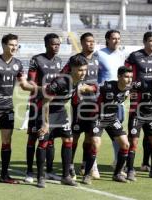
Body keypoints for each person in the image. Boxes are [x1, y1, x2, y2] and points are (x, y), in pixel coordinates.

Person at [0, 34, 37, 186]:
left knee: (7, 141)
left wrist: (42, 89)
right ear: (4, 45)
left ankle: (4, 175)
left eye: (16, 45)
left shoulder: (18, 64)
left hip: (8, 107)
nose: (14, 47)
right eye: (11, 44)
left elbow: (24, 84)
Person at [38, 54, 89, 188]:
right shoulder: (60, 82)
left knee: (68, 140)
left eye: (85, 69)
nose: (83, 73)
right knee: (43, 142)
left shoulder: (78, 80)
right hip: (48, 112)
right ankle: (40, 176)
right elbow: (45, 102)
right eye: (80, 70)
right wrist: (45, 123)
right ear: (71, 69)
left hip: (61, 112)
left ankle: (66, 176)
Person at [81, 66, 133, 185]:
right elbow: (94, 87)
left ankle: (117, 173)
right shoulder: (108, 86)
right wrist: (84, 88)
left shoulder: (129, 88)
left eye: (130, 77)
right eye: (126, 77)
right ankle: (87, 174)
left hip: (111, 118)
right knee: (96, 144)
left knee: (125, 144)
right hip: (98, 117)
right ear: (119, 77)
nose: (129, 79)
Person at [24, 33, 63, 185]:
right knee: (33, 137)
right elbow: (30, 83)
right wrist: (43, 90)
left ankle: (50, 171)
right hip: (37, 104)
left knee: (51, 138)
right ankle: (29, 171)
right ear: (46, 44)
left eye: (58, 44)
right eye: (54, 44)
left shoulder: (59, 61)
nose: (57, 46)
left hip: (53, 106)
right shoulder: (36, 59)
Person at [62, 32, 100, 180]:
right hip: (78, 103)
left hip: (94, 103)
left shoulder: (97, 59)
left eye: (93, 41)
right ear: (82, 43)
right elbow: (64, 74)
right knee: (75, 136)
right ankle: (70, 165)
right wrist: (76, 86)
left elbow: (100, 80)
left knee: (90, 137)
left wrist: (93, 89)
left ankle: (85, 165)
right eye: (88, 42)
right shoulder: (76, 59)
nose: (91, 44)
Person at [125, 31, 152, 172]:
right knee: (134, 136)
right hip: (137, 98)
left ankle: (146, 163)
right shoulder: (135, 56)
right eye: (151, 41)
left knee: (150, 134)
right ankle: (128, 167)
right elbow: (126, 72)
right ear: (145, 42)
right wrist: (131, 86)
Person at [97, 29, 126, 168]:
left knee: (117, 131)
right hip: (101, 101)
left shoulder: (121, 55)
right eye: (114, 38)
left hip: (117, 100)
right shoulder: (99, 54)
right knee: (96, 132)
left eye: (118, 38)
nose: (116, 41)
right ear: (107, 39)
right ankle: (92, 163)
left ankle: (116, 160)